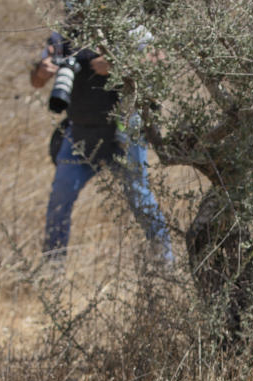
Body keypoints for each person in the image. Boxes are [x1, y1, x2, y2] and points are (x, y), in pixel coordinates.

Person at [30, 22, 173, 263]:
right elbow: (36, 81)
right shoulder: (63, 36)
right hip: (80, 132)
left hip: (124, 133)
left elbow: (159, 59)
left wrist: (117, 66)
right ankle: (52, 269)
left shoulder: (128, 27)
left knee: (139, 197)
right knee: (60, 198)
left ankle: (164, 262)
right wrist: (42, 72)